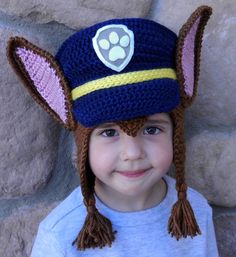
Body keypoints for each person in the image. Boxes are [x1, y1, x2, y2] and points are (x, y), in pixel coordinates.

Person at [7, 5, 219, 257]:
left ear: (175, 131)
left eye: (152, 129)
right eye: (109, 132)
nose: (132, 152)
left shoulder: (196, 212)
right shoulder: (61, 234)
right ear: (83, 140)